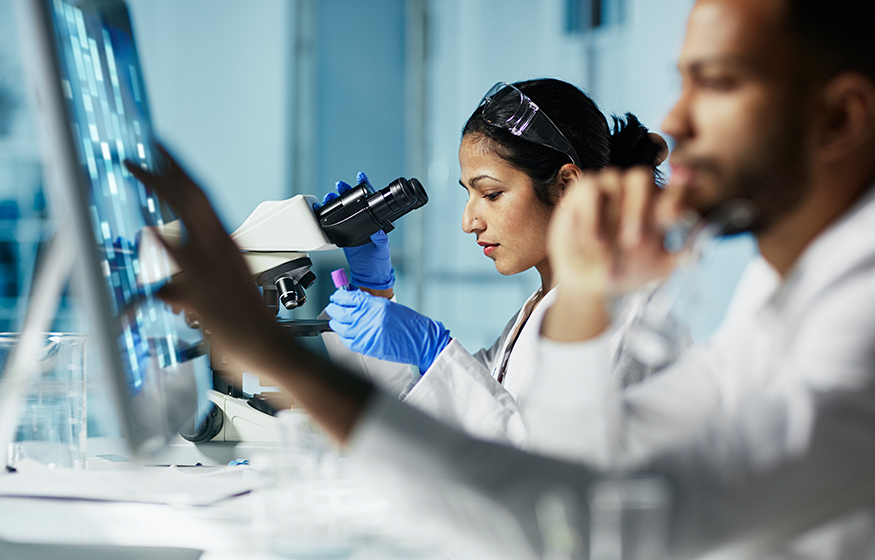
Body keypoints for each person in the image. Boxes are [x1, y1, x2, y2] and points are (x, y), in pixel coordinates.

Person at [124, 0, 875, 556]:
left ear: (838, 119)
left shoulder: (858, 328)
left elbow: (577, 521)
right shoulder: (777, 298)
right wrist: (387, 311)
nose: (676, 118)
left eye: (714, 84)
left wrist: (275, 348)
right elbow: (573, 469)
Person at [322, 78, 669, 444]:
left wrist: (436, 352)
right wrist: (374, 292)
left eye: (491, 193)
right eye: (470, 194)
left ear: (567, 186)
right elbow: (431, 433)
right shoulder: (536, 313)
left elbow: (544, 473)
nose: (469, 221)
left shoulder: (620, 316)